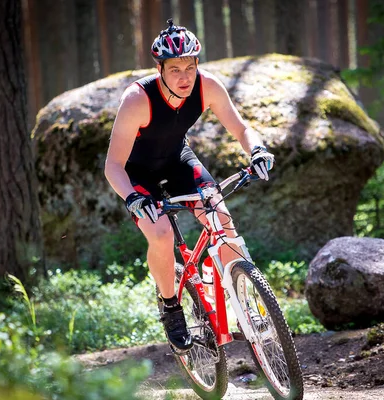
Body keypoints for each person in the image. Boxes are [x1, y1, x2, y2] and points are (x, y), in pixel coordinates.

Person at [104, 19, 275, 354]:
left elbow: (241, 129)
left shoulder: (207, 86)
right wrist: (133, 197)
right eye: (175, 70)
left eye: (190, 67)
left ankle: (245, 303)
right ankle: (170, 306)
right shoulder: (137, 100)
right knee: (162, 234)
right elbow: (112, 165)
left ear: (198, 64)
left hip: (177, 160)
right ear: (160, 69)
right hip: (138, 173)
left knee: (221, 221)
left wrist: (257, 149)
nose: (184, 78)